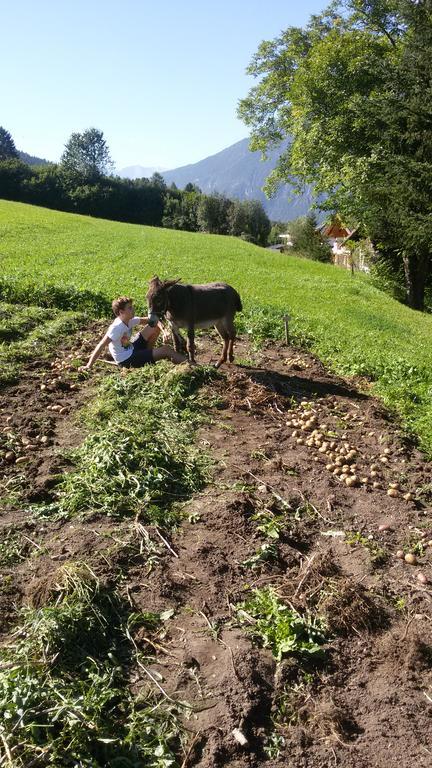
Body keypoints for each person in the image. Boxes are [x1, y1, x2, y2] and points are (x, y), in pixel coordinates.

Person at [80, 296, 186, 371]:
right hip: (126, 360)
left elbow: (154, 321)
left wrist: (164, 331)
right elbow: (101, 345)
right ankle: (193, 367)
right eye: (130, 308)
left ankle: (148, 355)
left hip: (131, 348)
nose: (133, 309)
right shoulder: (116, 328)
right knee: (166, 350)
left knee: (152, 327)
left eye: (132, 306)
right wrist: (89, 365)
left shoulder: (129, 320)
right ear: (121, 312)